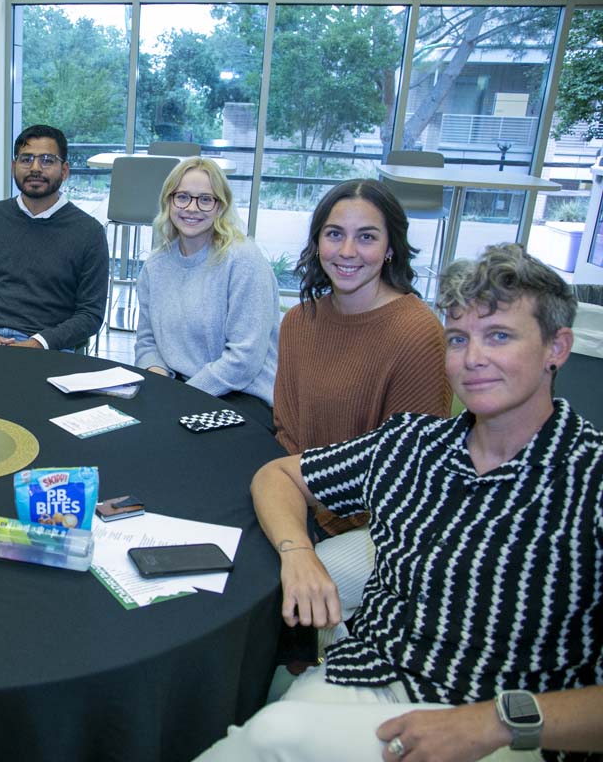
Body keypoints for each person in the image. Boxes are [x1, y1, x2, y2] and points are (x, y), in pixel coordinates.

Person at [198, 243, 603, 762]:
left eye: (499, 336)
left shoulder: (589, 480)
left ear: (557, 347)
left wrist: (496, 721)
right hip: (370, 676)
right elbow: (277, 475)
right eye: (458, 339)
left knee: (273, 738)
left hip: (508, 730)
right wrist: (297, 551)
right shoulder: (413, 445)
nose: (473, 359)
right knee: (267, 735)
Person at [274, 180, 451, 625]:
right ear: (317, 243)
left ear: (391, 248)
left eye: (367, 236)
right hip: (302, 495)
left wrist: (304, 528)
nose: (347, 251)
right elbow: (288, 433)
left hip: (375, 530)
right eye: (334, 234)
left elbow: (410, 477)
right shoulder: (299, 321)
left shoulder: (417, 334)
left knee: (267, 585)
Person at [133, 156, 279, 426]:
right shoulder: (155, 265)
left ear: (220, 207)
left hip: (241, 395)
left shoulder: (243, 260)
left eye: (205, 199)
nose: (192, 208)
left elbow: (244, 359)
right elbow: (146, 342)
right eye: (183, 197)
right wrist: (158, 378)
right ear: (168, 201)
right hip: (179, 387)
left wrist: (183, 396)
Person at [0, 124, 108, 351]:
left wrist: (39, 343)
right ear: (14, 166)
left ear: (64, 170)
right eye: (26, 159)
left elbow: (91, 313)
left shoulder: (89, 232)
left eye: (47, 160)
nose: (35, 168)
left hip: (49, 345)